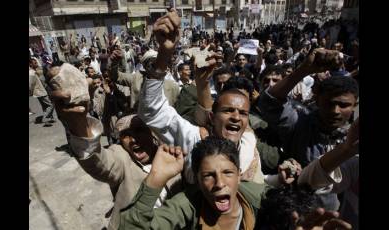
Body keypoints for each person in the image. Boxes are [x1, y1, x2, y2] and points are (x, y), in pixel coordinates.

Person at [137, 9, 265, 185]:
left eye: (242, 113)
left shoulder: (250, 147)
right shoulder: (194, 139)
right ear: (212, 117)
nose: (236, 117)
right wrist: (164, 54)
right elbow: (152, 111)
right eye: (228, 111)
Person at [118, 136, 351, 230]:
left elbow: (299, 191)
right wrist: (155, 180)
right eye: (208, 175)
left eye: (228, 173)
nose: (220, 183)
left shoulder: (259, 198)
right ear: (197, 180)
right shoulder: (185, 206)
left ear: (239, 175)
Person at [48, 70, 182, 230]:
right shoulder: (121, 157)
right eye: (126, 135)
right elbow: (100, 162)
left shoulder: (172, 153)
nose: (133, 139)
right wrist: (78, 123)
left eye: (139, 130)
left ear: (151, 133)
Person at [257, 48, 359, 211]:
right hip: (294, 212)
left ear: (354, 105)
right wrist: (304, 70)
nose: (335, 111)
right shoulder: (300, 122)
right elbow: (269, 103)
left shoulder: (353, 138)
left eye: (344, 105)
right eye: (329, 103)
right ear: (317, 101)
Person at [29, 58, 55, 126]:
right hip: (39, 92)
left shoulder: (35, 71)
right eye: (35, 63)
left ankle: (49, 119)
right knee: (51, 104)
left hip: (41, 90)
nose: (36, 64)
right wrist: (31, 92)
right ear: (30, 64)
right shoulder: (31, 73)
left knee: (45, 106)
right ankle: (45, 118)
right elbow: (30, 85)